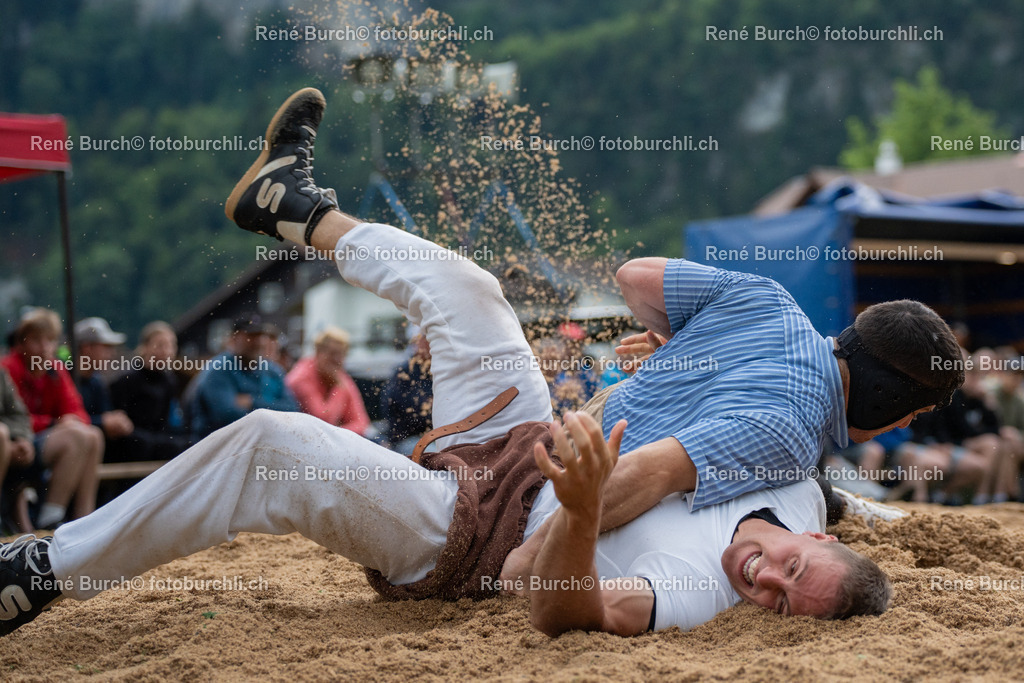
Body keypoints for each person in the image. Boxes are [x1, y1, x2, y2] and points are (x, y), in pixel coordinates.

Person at [1, 88, 895, 638]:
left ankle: (43, 567)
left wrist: (578, 515)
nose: (766, 582)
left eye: (778, 604)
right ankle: (291, 203)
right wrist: (678, 354)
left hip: (468, 538)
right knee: (468, 287)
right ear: (811, 534)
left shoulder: (700, 589)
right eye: (791, 569)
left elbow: (552, 603)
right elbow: (838, 489)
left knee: (270, 442)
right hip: (527, 437)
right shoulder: (800, 481)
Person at [1, 309, 103, 529]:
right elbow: (15, 416)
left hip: (43, 440)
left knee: (93, 436)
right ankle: (50, 518)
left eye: (50, 340)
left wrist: (68, 420)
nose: (44, 347)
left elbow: (78, 412)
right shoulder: (9, 368)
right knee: (76, 436)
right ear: (21, 343)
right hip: (21, 442)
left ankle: (84, 519)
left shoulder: (55, 369)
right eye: (36, 340)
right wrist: (55, 423)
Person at [187, 315, 299, 439]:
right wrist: (272, 409)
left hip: (258, 442)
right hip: (219, 446)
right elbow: (228, 416)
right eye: (250, 336)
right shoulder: (218, 370)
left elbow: (292, 409)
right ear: (234, 339)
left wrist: (252, 401)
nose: (257, 342)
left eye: (260, 336)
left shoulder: (273, 370)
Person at [108, 321, 192, 462]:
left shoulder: (169, 381)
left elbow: (166, 421)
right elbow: (121, 423)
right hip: (132, 443)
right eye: (160, 345)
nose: (167, 351)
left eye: (171, 345)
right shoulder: (127, 379)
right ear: (145, 347)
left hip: (156, 440)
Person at [285, 326, 369, 435]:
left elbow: (361, 422)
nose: (337, 359)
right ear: (318, 352)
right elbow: (323, 421)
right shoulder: (301, 377)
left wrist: (340, 434)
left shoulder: (340, 377)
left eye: (342, 354)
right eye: (332, 353)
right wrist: (338, 387)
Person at [73, 317, 135, 446]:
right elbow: (66, 421)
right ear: (87, 348)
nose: (112, 354)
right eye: (106, 347)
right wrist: (102, 422)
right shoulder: (64, 380)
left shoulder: (96, 381)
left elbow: (105, 414)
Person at [380, 329, 432, 454]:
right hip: (408, 440)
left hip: (436, 437)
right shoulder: (404, 373)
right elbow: (407, 413)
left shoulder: (439, 369)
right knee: (439, 454)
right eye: (426, 338)